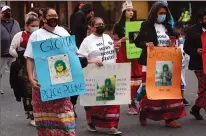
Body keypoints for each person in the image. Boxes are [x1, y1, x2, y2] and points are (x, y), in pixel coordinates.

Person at [24, 8, 75, 135]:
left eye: (56, 15)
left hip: (62, 81)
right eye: (51, 16)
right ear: (43, 18)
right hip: (42, 82)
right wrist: (31, 78)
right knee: (45, 119)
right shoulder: (36, 35)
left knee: (65, 115)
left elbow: (73, 53)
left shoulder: (63, 32)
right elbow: (29, 58)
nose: (54, 18)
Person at [135, 1, 186, 128]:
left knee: (167, 91)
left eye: (164, 13)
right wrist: (147, 43)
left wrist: (173, 42)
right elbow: (137, 42)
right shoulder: (146, 25)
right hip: (150, 64)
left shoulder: (168, 27)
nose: (162, 15)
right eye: (160, 13)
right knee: (151, 92)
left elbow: (174, 41)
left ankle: (169, 119)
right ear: (154, 13)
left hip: (167, 64)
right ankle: (144, 110)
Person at [78, 17, 122, 135]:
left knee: (111, 101)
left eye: (102, 23)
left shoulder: (107, 37)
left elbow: (112, 53)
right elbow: (80, 58)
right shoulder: (87, 41)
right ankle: (92, 121)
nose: (101, 26)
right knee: (97, 104)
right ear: (92, 27)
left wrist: (116, 48)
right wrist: (92, 62)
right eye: (98, 24)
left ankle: (112, 126)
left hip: (109, 73)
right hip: (94, 75)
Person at [9, 12, 39, 126]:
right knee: (28, 91)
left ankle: (39, 112)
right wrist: (20, 55)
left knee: (38, 89)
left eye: (37, 25)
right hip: (24, 67)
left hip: (39, 66)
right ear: (27, 25)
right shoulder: (20, 35)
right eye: (33, 25)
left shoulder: (40, 35)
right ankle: (31, 113)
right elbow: (11, 49)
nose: (35, 28)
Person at [113, 1, 142, 115]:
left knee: (137, 78)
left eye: (131, 10)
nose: (130, 12)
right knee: (127, 77)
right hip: (124, 52)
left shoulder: (137, 24)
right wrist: (121, 40)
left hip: (134, 52)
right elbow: (114, 42)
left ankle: (134, 99)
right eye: (128, 10)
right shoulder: (118, 25)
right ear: (124, 12)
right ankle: (130, 102)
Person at [72, 3, 94, 118]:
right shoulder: (80, 15)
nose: (92, 13)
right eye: (91, 11)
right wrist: (88, 26)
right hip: (78, 44)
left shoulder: (82, 15)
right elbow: (79, 26)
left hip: (80, 43)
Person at [184, 9, 206, 120]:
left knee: (203, 90)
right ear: (201, 20)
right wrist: (196, 50)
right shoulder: (192, 31)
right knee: (204, 88)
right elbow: (186, 48)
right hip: (199, 64)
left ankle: (196, 108)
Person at [1, 5, 21, 94]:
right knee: (0, 72)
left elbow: (19, 35)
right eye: (5, 12)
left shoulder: (15, 23)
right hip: (2, 52)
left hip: (13, 51)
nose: (8, 13)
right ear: (1, 13)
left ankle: (17, 87)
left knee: (15, 71)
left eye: (9, 11)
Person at [174, 23, 190, 106]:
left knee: (182, 81)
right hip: (173, 64)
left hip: (181, 65)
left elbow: (187, 54)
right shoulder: (171, 41)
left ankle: (182, 98)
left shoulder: (183, 42)